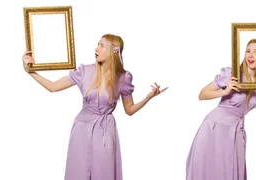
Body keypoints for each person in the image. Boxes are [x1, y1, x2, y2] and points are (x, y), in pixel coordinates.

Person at [22, 33, 167, 180]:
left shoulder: (123, 77)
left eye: (101, 45)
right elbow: (53, 87)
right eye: (97, 44)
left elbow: (129, 110)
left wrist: (148, 97)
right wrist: (30, 71)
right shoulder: (85, 71)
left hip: (105, 132)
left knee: (103, 173)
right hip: (81, 130)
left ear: (112, 51)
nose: (96, 48)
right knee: (78, 172)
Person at [185, 39, 256, 180]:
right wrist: (224, 92)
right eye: (247, 51)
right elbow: (202, 94)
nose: (250, 55)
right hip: (213, 128)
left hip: (235, 132)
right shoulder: (232, 74)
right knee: (207, 172)